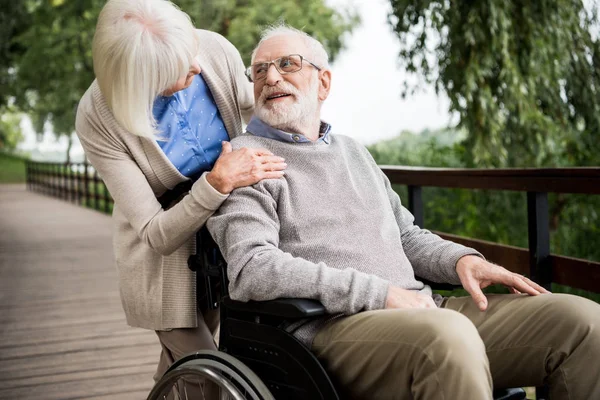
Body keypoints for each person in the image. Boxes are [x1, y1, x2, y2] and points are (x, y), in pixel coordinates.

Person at [207, 24, 600, 400]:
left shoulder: (353, 152)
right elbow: (252, 269)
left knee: (582, 322)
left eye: (287, 64)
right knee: (446, 338)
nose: (271, 77)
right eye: (259, 70)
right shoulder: (245, 163)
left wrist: (461, 259)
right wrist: (378, 294)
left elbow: (406, 235)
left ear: (323, 82)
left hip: (423, 310)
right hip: (331, 330)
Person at [74, 0, 287, 389]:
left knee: (184, 373)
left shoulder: (213, 51)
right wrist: (218, 182)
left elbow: (262, 111)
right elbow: (155, 233)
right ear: (142, 80)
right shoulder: (97, 117)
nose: (198, 67)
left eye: (191, 51)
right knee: (212, 379)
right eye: (181, 68)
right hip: (165, 265)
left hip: (226, 244)